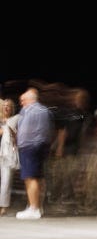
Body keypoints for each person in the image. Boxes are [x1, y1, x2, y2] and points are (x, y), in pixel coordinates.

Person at [14, 88, 56, 219]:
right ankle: (36, 205)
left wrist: (22, 144)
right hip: (39, 147)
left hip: (30, 147)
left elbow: (25, 130)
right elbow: (49, 131)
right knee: (36, 177)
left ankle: (34, 208)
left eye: (23, 100)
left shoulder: (29, 110)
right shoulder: (44, 110)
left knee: (30, 177)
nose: (21, 103)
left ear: (30, 99)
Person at [0, 98, 20, 216]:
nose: (6, 107)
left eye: (9, 106)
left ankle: (3, 206)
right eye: (4, 105)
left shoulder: (15, 119)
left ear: (12, 108)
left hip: (7, 153)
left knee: (6, 180)